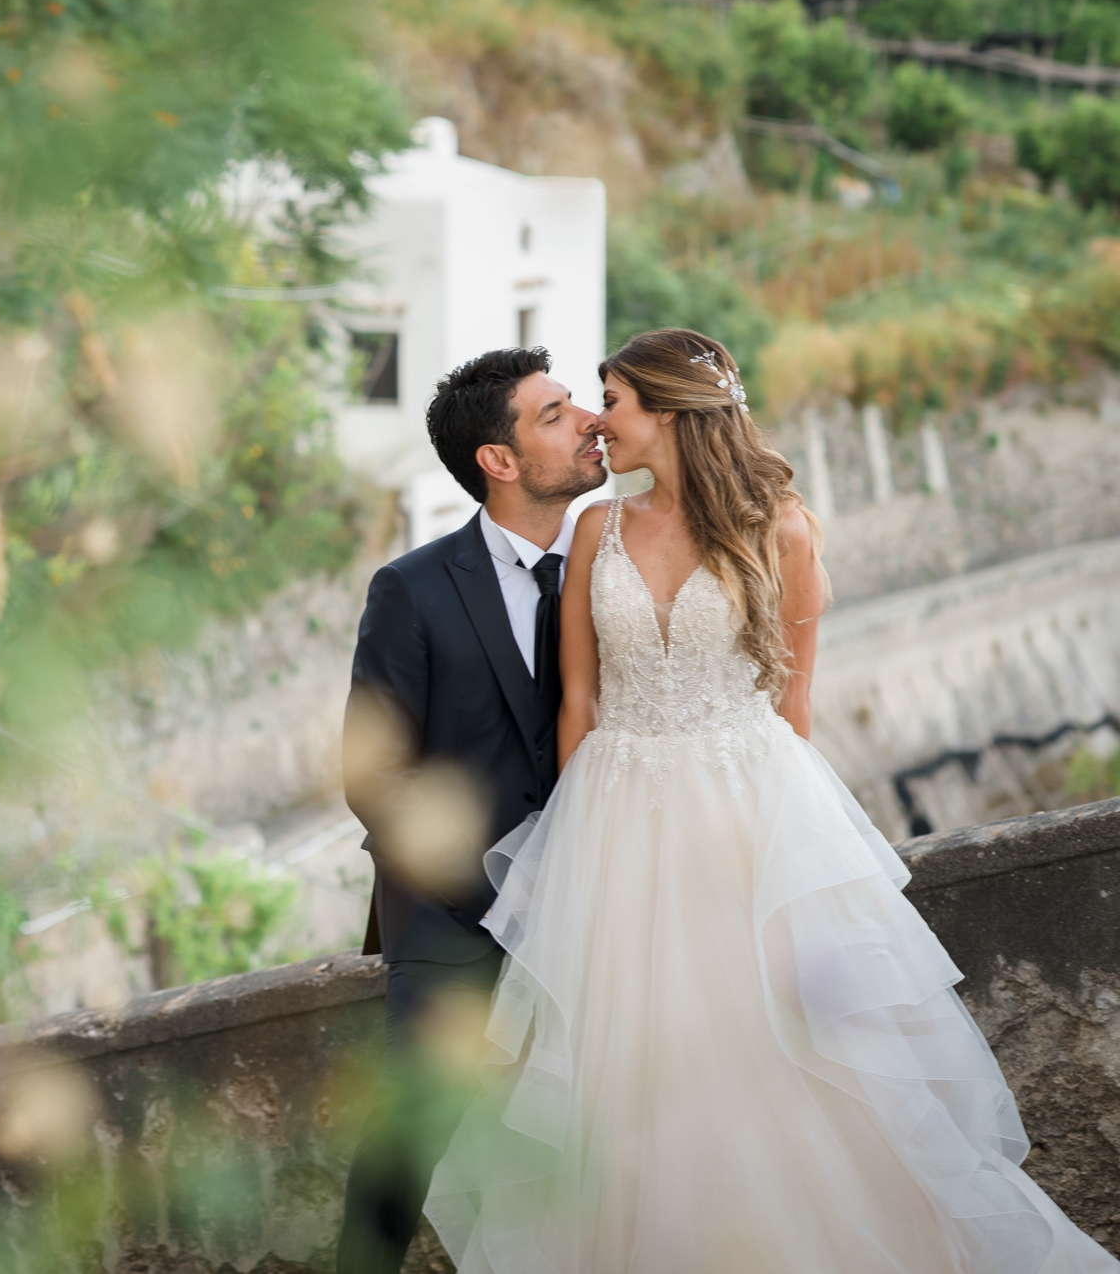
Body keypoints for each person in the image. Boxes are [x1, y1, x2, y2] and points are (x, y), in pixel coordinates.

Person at [421, 328, 1119, 1273]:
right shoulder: (600, 529)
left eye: (613, 401)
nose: (599, 424)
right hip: (615, 823)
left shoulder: (780, 528)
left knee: (797, 1061)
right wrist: (574, 859)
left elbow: (793, 710)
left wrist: (767, 860)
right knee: (634, 1085)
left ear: (665, 412)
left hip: (745, 816)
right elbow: (578, 704)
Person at [335, 346, 606, 1274]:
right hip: (451, 914)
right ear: (499, 459)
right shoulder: (410, 587)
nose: (588, 424)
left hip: (599, 900)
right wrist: (494, 890)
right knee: (409, 1138)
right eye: (556, 414)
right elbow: (374, 776)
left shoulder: (613, 568)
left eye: (579, 406)